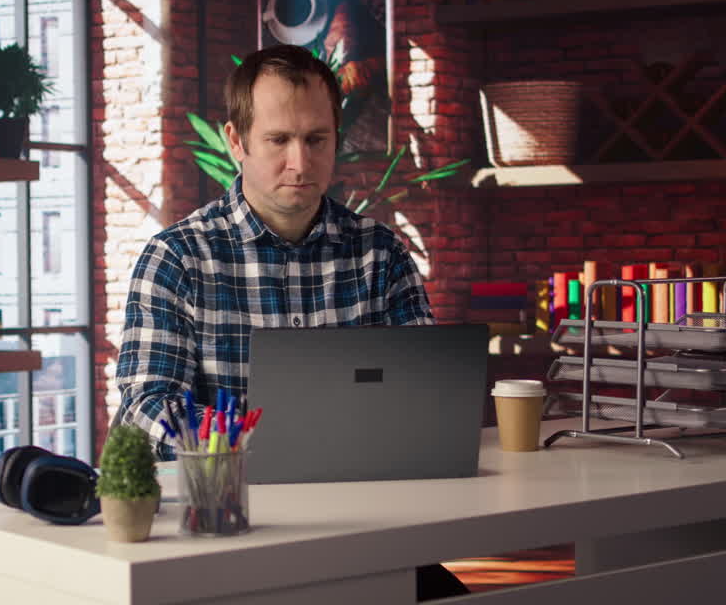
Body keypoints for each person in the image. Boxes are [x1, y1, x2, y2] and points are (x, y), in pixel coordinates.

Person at [113, 43, 466, 600]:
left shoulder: (380, 254)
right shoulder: (177, 259)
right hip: (221, 536)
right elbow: (146, 402)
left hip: (363, 529)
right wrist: (256, 440)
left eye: (316, 140)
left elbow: (423, 399)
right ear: (237, 142)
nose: (300, 163)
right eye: (278, 140)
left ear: (336, 139)